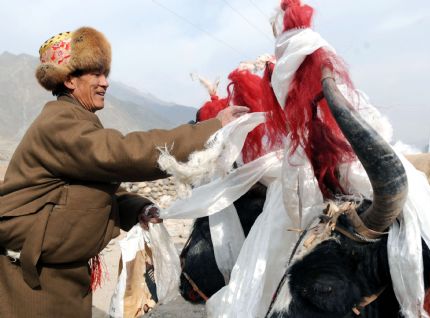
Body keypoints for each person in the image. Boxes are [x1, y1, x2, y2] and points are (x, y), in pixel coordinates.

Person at [0, 26, 248, 318]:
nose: (105, 82)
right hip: (34, 280)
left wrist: (137, 209)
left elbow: (96, 188)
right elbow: (125, 153)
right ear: (69, 79)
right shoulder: (60, 122)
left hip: (60, 275)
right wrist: (210, 129)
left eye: (106, 74)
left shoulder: (79, 119)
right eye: (95, 74)